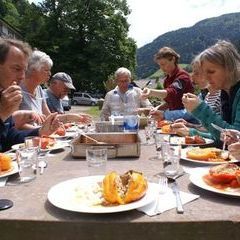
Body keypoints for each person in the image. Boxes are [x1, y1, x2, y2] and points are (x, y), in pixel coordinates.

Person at [0, 38, 60, 152]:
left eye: (24, 70)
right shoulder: (7, 98)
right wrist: (1, 114)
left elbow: (9, 137)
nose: (22, 76)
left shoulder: (4, 94)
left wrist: (39, 132)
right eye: (16, 69)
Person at [179, 40, 240, 141]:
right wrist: (192, 133)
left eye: (211, 72)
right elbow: (221, 137)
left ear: (230, 68)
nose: (205, 77)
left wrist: (200, 109)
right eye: (203, 72)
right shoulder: (224, 93)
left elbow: (236, 138)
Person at [19, 50, 92, 128]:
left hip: (38, 138)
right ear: (33, 70)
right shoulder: (18, 90)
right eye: (46, 70)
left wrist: (73, 117)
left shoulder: (39, 89)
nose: (50, 74)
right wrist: (41, 131)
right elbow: (14, 126)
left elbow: (49, 118)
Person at [141, 46, 194, 111]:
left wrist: (151, 91)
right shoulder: (167, 80)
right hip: (174, 117)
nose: (161, 68)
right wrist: (156, 109)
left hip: (186, 117)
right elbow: (169, 103)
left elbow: (172, 92)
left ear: (173, 59)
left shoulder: (183, 76)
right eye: (160, 65)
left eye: (163, 64)